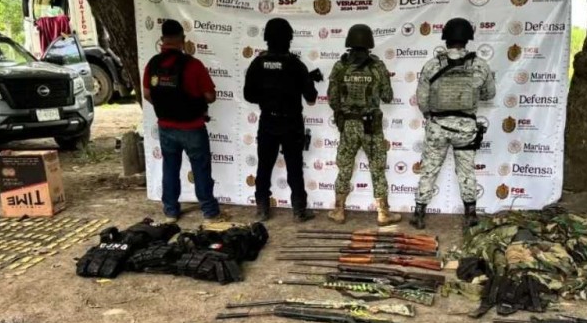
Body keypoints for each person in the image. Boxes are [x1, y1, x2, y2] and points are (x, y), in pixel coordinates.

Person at [410, 17, 496, 230]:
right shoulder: (480, 65)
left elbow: (422, 100)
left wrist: (432, 115)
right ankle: (471, 214)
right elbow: (489, 94)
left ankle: (419, 214)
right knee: (467, 171)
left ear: (446, 39)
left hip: (438, 127)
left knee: (429, 169)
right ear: (468, 39)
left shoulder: (432, 65)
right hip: (466, 128)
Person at [142, 19, 224, 223]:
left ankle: (170, 211)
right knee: (201, 169)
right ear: (182, 39)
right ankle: (209, 212)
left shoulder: (152, 64)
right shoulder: (193, 65)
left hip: (166, 126)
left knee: (170, 168)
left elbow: (147, 94)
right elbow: (210, 96)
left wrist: (165, 107)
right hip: (193, 127)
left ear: (162, 39)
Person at [243, 17, 321, 222]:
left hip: (268, 121)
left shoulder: (258, 63)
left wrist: (267, 98)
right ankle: (299, 211)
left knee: (264, 166)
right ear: (289, 38)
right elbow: (311, 99)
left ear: (266, 38)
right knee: (294, 167)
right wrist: (305, 83)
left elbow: (248, 95)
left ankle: (262, 209)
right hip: (291, 123)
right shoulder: (296, 65)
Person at [327, 24, 400, 226]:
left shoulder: (340, 67)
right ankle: (383, 213)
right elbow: (387, 97)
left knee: (344, 168)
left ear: (349, 42)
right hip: (371, 126)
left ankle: (338, 210)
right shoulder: (377, 66)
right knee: (377, 168)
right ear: (369, 43)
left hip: (349, 125)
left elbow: (332, 99)